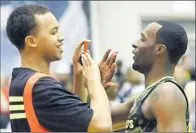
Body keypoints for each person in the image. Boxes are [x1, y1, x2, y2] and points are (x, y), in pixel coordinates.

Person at [6, 4, 118, 132]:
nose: (61, 37)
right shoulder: (41, 87)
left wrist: (79, 74)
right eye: (53, 32)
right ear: (31, 41)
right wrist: (94, 82)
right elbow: (102, 128)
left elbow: (71, 119)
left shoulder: (21, 81)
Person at [76, 21, 190, 132]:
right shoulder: (145, 97)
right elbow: (96, 122)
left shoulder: (167, 93)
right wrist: (97, 86)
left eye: (142, 39)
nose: (135, 43)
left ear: (159, 49)